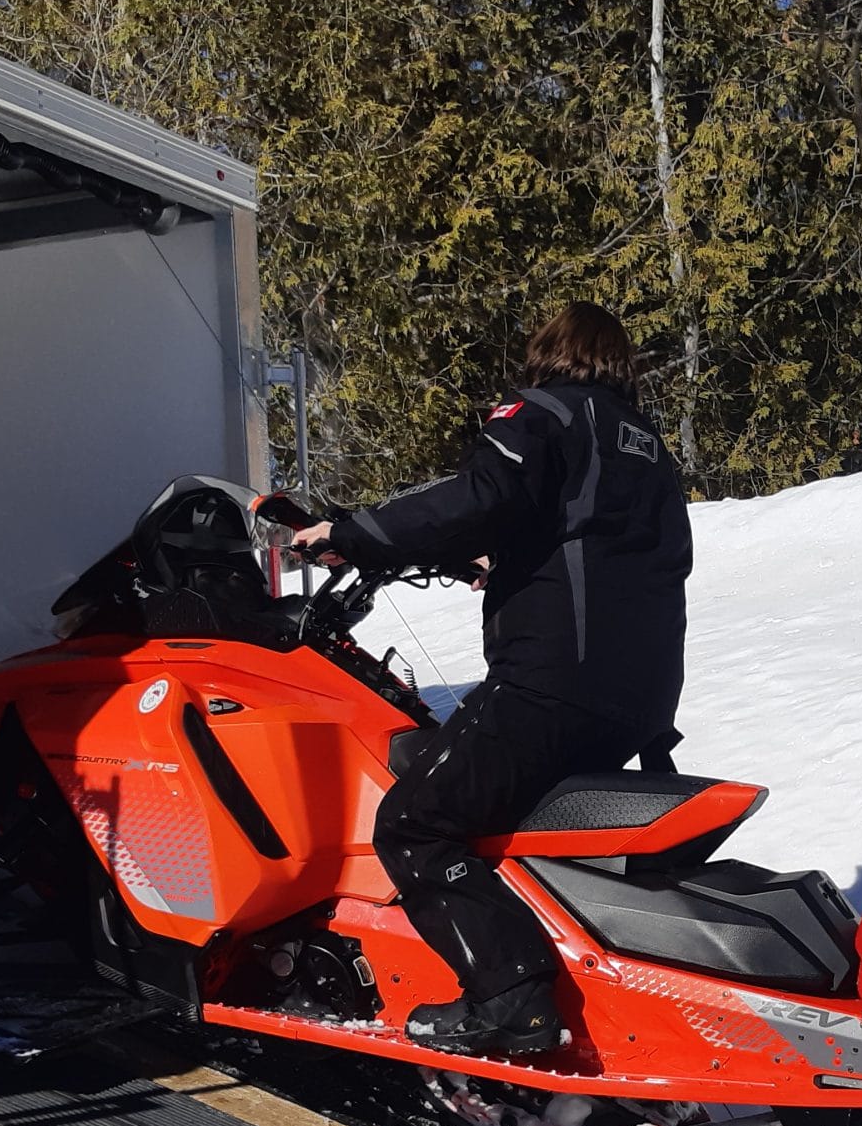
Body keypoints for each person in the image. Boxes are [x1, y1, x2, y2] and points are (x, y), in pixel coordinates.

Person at [293, 303, 693, 1055]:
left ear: (549, 352)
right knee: (523, 838)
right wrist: (496, 559)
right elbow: (587, 543)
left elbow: (475, 497)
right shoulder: (644, 448)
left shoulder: (540, 412)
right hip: (638, 701)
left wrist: (348, 534)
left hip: (550, 685)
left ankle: (510, 1000)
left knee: (415, 823)